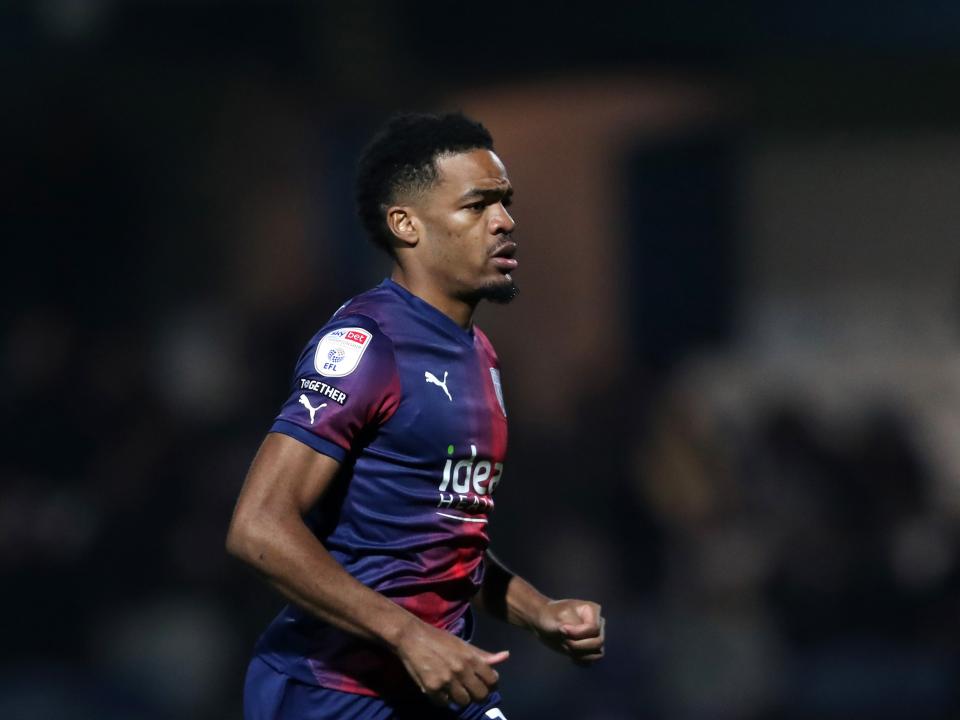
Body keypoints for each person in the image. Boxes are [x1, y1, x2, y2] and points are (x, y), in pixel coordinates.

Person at [227, 112, 605, 720]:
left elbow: (437, 541)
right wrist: (409, 636)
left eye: (505, 203)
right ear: (406, 225)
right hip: (332, 695)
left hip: (437, 684)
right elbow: (257, 528)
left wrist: (541, 611)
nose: (505, 221)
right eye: (477, 205)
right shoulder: (367, 345)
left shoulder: (478, 354)